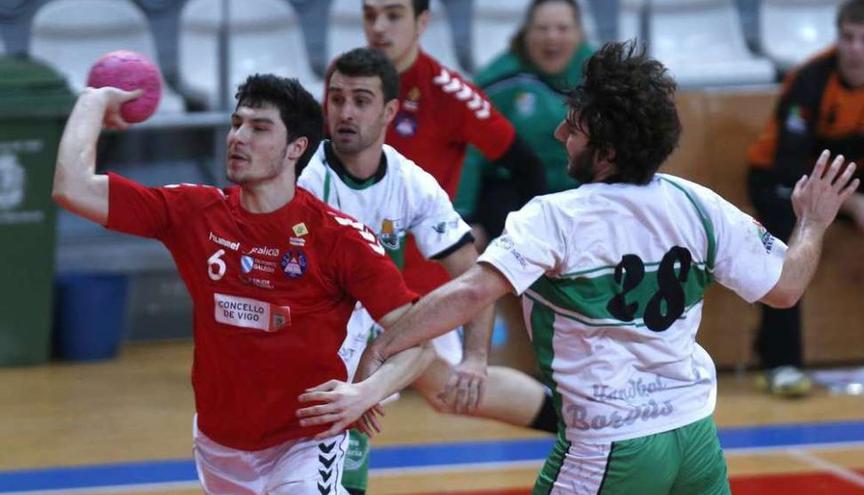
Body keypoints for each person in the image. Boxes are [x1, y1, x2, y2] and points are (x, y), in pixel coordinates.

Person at [310, 41, 859, 494]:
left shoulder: (556, 217)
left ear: (607, 149)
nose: (557, 135)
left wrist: (380, 348)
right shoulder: (697, 204)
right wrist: (811, 222)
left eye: (572, 127)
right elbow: (786, 287)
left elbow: (469, 292)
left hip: (611, 447)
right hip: (695, 439)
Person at [51, 74, 435, 494]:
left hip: (306, 441)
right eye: (237, 123)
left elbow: (419, 340)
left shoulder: (339, 238)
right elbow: (72, 188)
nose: (238, 137)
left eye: (259, 128)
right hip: (221, 447)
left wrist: (366, 393)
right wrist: (92, 100)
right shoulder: (193, 212)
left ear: (296, 148)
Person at [306, 47, 556, 495]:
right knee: (341, 407)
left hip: (386, 324)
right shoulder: (304, 177)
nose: (345, 112)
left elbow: (474, 273)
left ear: (389, 112)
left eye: (360, 100)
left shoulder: (412, 182)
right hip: (316, 330)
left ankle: (583, 424)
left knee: (449, 388)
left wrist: (476, 358)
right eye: (336, 99)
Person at [360, 0, 547, 301]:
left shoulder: (449, 94)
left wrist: (505, 242)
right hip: (353, 284)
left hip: (425, 292)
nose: (378, 27)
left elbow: (528, 167)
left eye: (393, 15)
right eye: (370, 15)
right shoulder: (342, 81)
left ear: (422, 23)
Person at [746, 0, 864, 397]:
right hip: (784, 179)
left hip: (853, 175)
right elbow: (789, 164)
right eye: (848, 38)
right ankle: (780, 363)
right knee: (785, 238)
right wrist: (855, 205)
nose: (855, 48)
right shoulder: (810, 80)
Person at [458, 0, 595, 241]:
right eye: (542, 29)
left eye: (562, 28)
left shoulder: (603, 75)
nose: (552, 37)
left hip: (581, 196)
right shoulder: (500, 80)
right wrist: (463, 219)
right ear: (526, 33)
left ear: (579, 34)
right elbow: (470, 149)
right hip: (515, 200)